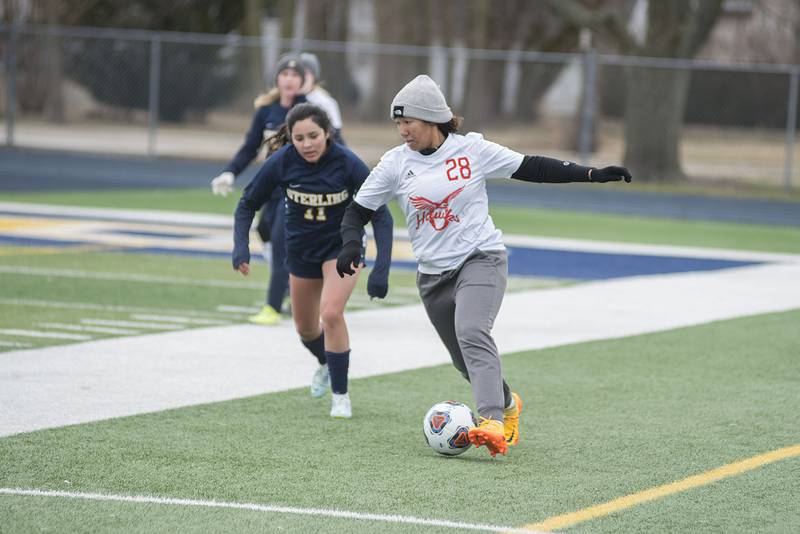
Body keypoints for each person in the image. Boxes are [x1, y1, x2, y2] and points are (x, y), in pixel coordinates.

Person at [336, 75, 632, 456]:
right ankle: (509, 404)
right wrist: (348, 244)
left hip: (481, 258)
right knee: (466, 362)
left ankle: (490, 420)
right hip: (432, 276)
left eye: (408, 121)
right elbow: (357, 211)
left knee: (473, 331)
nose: (402, 130)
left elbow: (533, 167)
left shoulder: (471, 150)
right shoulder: (395, 163)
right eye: (398, 123)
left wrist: (590, 173)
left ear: (431, 119)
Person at [232, 103, 394, 418]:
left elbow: (382, 217)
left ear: (328, 133)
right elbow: (247, 203)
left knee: (331, 314)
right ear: (290, 138)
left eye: (314, 136)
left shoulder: (347, 163)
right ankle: (325, 362)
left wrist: (381, 269)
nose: (307, 144)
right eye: (299, 138)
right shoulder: (282, 162)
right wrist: (241, 247)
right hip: (301, 250)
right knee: (306, 329)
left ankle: (341, 396)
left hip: (342, 247)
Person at [211, 54, 307, 326]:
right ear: (277, 79)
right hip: (271, 187)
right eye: (284, 75)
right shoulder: (266, 111)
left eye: (294, 75)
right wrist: (230, 172)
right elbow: (250, 146)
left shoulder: (307, 110)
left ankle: (272, 307)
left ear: (302, 81)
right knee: (263, 230)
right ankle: (292, 280)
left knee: (279, 245)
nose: (289, 80)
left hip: (296, 189)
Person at [298, 52, 344, 143]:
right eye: (299, 73)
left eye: (306, 73)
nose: (303, 77)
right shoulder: (287, 98)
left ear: (314, 76)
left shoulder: (325, 102)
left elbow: (336, 134)